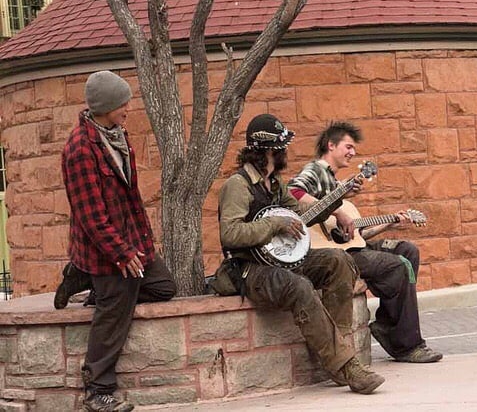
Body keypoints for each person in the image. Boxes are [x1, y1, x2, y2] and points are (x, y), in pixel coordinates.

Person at [217, 113, 385, 394]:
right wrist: (274, 224)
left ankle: (342, 352)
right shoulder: (238, 185)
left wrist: (338, 198)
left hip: (283, 260)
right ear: (267, 150)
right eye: (281, 148)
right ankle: (345, 366)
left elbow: (302, 216)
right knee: (299, 286)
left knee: (338, 260)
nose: (285, 153)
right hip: (250, 269)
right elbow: (230, 234)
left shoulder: (274, 184)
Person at [56, 70, 177, 411]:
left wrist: (142, 246)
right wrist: (122, 255)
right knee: (116, 305)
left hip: (130, 242)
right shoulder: (80, 149)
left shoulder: (118, 135)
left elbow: (130, 198)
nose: (128, 107)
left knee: (165, 286)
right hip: (105, 250)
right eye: (123, 102)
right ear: (107, 105)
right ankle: (98, 390)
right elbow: (91, 217)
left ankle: (83, 278)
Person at [288, 121, 442, 364]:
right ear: (331, 145)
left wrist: (390, 223)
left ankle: (387, 325)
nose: (352, 153)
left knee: (407, 250)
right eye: (348, 147)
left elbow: (356, 236)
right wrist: (336, 212)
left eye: (354, 149)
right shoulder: (316, 170)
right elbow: (293, 193)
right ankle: (407, 346)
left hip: (351, 247)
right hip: (328, 254)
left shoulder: (333, 181)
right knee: (398, 266)